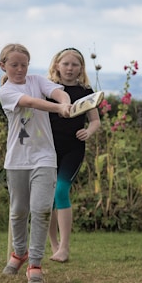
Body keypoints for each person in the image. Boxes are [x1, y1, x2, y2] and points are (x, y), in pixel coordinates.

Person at [0, 43, 71, 283]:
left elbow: (58, 92)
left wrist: (65, 100)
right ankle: (19, 253)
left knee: (41, 209)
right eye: (14, 65)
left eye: (24, 65)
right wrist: (58, 108)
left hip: (45, 158)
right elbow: (32, 103)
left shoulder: (38, 80)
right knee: (18, 211)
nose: (19, 69)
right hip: (17, 160)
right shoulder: (6, 92)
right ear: (3, 66)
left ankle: (35, 264)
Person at [47, 47, 101, 262]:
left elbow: (95, 121)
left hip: (73, 149)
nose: (70, 68)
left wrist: (88, 131)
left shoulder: (86, 91)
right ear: (57, 66)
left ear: (81, 68)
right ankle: (54, 245)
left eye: (74, 65)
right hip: (47, 150)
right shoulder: (48, 90)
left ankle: (65, 247)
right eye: (66, 64)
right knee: (47, 200)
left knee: (61, 191)